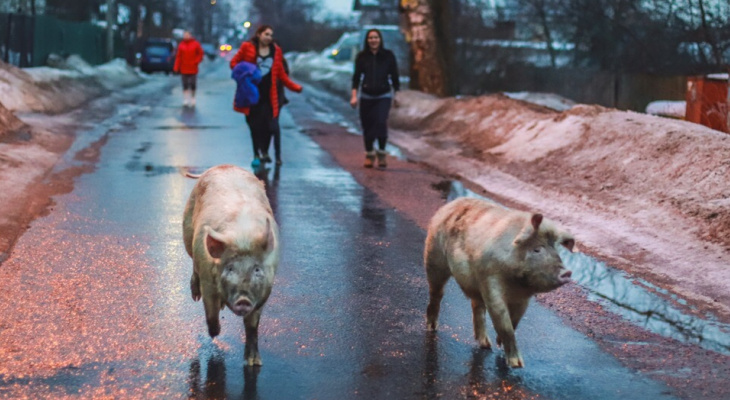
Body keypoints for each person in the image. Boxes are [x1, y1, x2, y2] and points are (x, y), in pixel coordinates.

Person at [230, 25, 303, 168]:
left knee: (269, 126)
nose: (269, 37)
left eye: (271, 35)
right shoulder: (247, 47)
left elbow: (281, 74)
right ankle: (256, 154)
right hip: (251, 95)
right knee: (254, 126)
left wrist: (295, 87)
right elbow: (234, 64)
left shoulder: (276, 51)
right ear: (258, 34)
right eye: (266, 34)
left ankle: (264, 151)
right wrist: (247, 71)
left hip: (269, 96)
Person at [350, 28, 400, 168]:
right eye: (371, 38)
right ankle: (369, 154)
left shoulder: (388, 56)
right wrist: (354, 96)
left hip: (383, 95)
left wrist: (397, 94)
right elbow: (356, 78)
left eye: (376, 37)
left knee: (380, 122)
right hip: (366, 96)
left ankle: (382, 153)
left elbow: (394, 76)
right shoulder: (362, 56)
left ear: (380, 39)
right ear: (367, 40)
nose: (373, 40)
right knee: (368, 126)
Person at [173, 31, 204, 107]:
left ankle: (193, 98)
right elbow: (178, 57)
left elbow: (200, 54)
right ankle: (186, 99)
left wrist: (196, 61)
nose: (186, 36)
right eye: (184, 35)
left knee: (193, 84)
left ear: (190, 35)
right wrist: (176, 67)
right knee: (185, 84)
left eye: (187, 35)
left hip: (193, 68)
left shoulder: (196, 44)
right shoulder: (181, 45)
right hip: (184, 68)